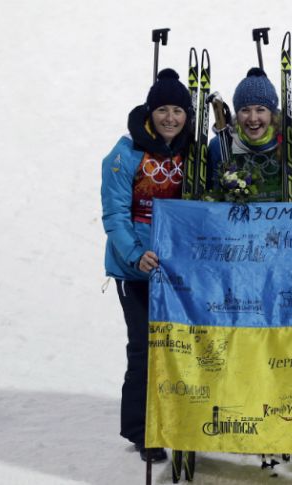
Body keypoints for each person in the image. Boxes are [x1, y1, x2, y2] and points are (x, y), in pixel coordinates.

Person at [101, 67, 193, 463]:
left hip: (178, 270)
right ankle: (144, 430)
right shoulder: (125, 153)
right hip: (135, 268)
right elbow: (115, 213)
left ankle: (181, 418)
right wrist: (135, 255)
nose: (170, 118)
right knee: (145, 348)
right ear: (149, 112)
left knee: (177, 348)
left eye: (178, 110)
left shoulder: (193, 150)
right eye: (162, 110)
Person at [208, 67, 284, 202]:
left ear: (271, 113)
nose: (253, 118)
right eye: (245, 110)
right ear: (236, 113)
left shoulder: (288, 141)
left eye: (260, 110)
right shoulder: (220, 146)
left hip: (279, 220)